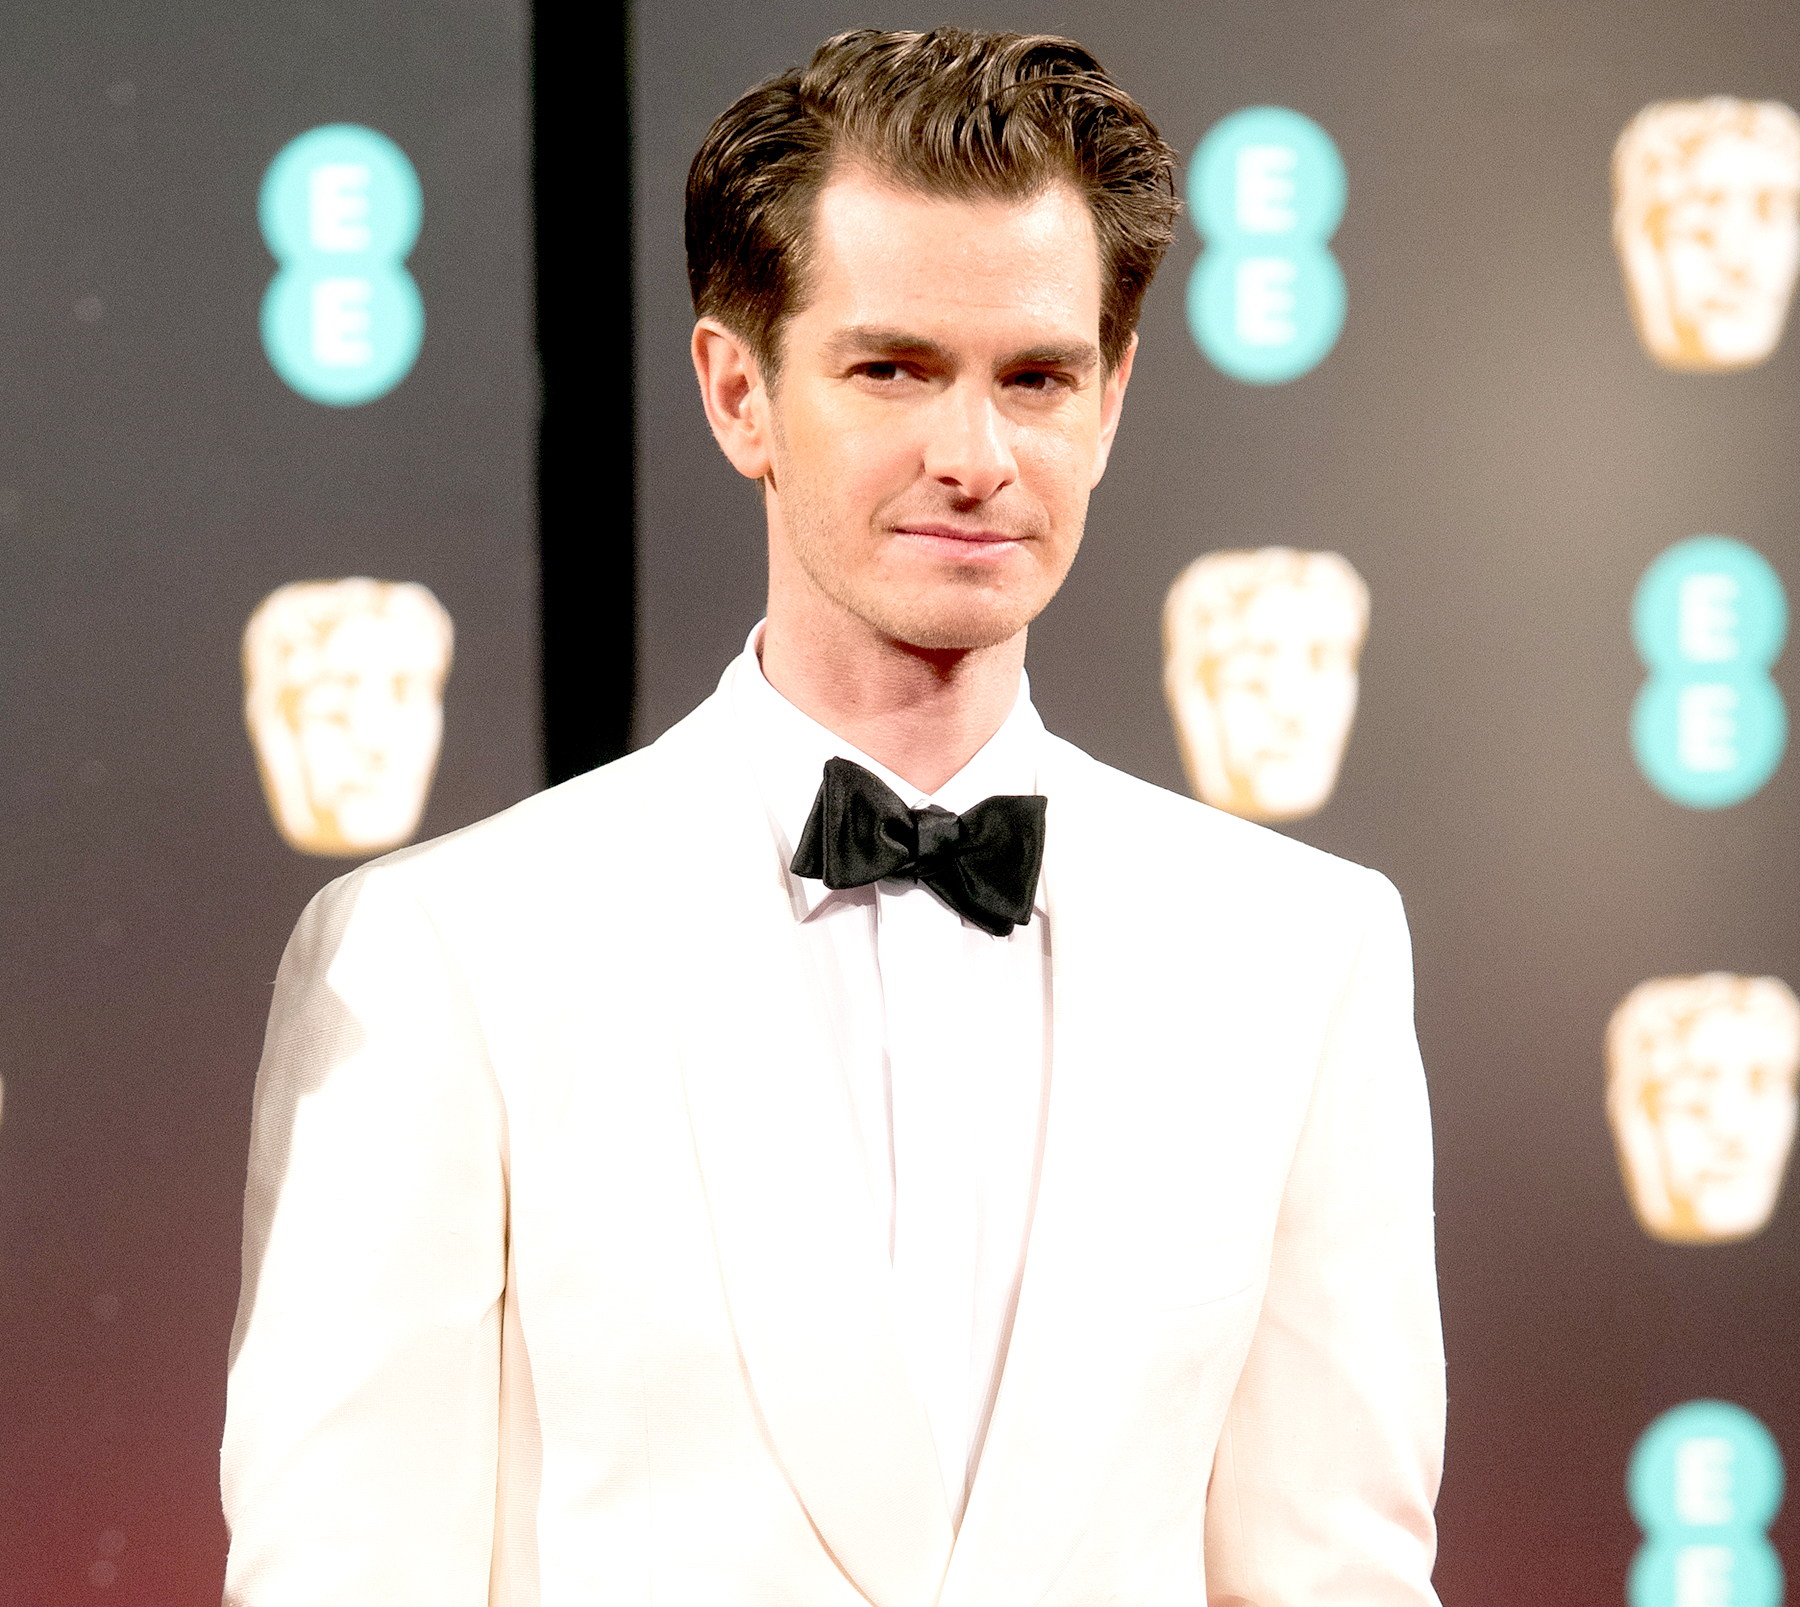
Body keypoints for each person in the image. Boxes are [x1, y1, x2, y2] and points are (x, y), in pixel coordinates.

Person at [221, 27, 1445, 1606]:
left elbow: (1332, 1572)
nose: (974, 457)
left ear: (1112, 399)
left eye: (1036, 378)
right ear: (741, 393)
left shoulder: (1303, 953)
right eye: (892, 369)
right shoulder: (450, 954)